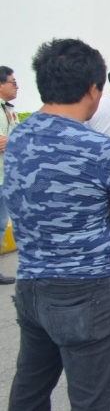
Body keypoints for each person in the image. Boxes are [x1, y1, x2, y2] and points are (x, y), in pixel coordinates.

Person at [4, 38, 110, 410]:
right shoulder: (100, 148)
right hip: (89, 293)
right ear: (92, 88)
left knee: (30, 391)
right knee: (96, 400)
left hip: (32, 285)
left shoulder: (17, 136)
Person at [0, 66, 20, 285]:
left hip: (5, 177)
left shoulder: (9, 109)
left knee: (0, 223)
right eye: (13, 82)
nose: (16, 87)